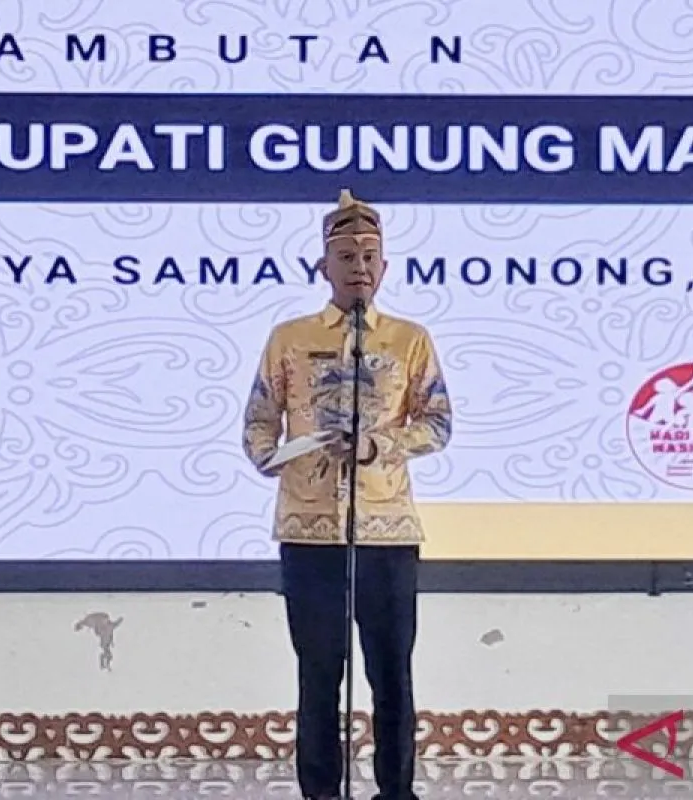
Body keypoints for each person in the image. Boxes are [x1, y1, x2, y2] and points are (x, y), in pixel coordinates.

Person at [242, 189, 453, 800]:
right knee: (318, 676)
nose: (359, 268)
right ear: (323, 266)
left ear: (384, 268)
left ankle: (397, 790)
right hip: (309, 532)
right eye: (346, 257)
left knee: (391, 675)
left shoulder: (409, 339)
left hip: (387, 532)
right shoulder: (289, 338)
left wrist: (377, 446)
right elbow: (259, 420)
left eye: (369, 257)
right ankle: (320, 792)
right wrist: (271, 456)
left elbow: (437, 423)